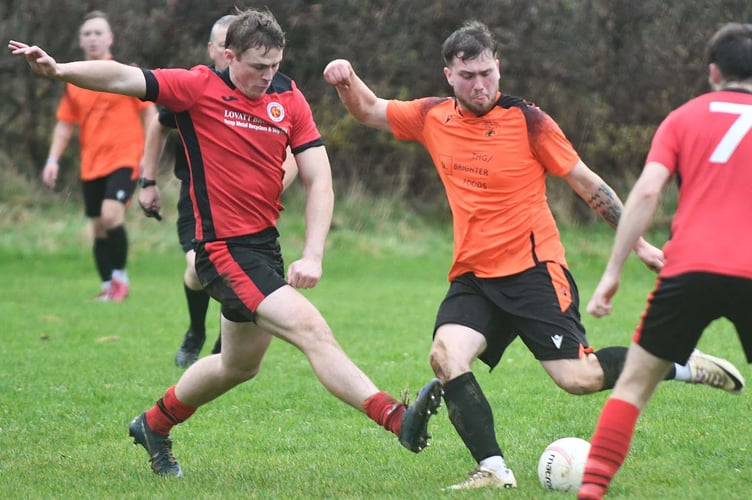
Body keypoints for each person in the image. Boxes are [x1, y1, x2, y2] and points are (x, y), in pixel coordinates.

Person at [9, 8, 442, 478]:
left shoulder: (287, 96)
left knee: (237, 366)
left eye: (275, 64)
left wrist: (313, 253)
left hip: (264, 249)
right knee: (311, 330)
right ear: (228, 56)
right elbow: (122, 76)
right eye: (258, 65)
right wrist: (59, 70)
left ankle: (152, 424)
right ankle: (396, 418)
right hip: (221, 249)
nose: (267, 75)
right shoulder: (198, 86)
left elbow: (320, 181)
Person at [323, 20, 745, 491]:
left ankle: (681, 363)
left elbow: (588, 184)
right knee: (445, 356)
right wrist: (346, 80)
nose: (479, 84)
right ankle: (494, 469)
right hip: (474, 276)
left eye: (486, 72)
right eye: (467, 76)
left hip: (534, 271)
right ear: (448, 76)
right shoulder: (432, 117)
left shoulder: (528, 121)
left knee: (578, 378)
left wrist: (641, 244)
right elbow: (369, 110)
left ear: (498, 68)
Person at [577, 23, 752, 500]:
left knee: (633, 384)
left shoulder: (682, 118)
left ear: (714, 72)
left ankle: (591, 489)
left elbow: (648, 190)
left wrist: (612, 273)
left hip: (688, 270)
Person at [138, 14, 300, 368]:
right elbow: (157, 126)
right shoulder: (193, 88)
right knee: (197, 268)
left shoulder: (275, 92)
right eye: (228, 42)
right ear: (219, 50)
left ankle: (223, 348)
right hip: (197, 199)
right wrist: (147, 181)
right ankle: (197, 331)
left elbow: (297, 151)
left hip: (250, 211)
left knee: (221, 274)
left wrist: (272, 186)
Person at [41, 10, 156, 301]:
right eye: (87, 34)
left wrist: (148, 155)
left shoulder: (125, 73)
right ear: (81, 41)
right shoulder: (74, 81)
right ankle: (107, 286)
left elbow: (150, 114)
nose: (93, 39)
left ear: (110, 39)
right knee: (97, 226)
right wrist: (53, 160)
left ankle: (120, 280)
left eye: (98, 33)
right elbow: (65, 125)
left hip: (126, 157)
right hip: (92, 164)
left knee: (110, 215)